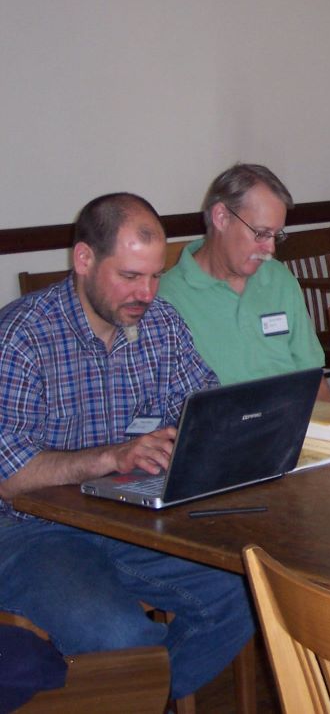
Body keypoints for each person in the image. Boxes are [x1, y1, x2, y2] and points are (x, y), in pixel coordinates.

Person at [0, 193, 253, 702]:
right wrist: (113, 457)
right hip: (31, 532)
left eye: (156, 275)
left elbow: (200, 409)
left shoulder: (159, 324)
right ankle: (130, 694)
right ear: (84, 260)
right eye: (131, 276)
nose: (147, 292)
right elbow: (9, 476)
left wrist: (221, 434)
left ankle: (140, 700)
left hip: (128, 517)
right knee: (122, 636)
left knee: (249, 595)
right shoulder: (23, 336)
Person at [159, 163, 330, 400]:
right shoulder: (167, 298)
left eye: (275, 235)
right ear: (221, 217)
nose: (270, 248)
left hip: (295, 427)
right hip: (224, 432)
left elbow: (314, 381)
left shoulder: (279, 279)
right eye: (261, 233)